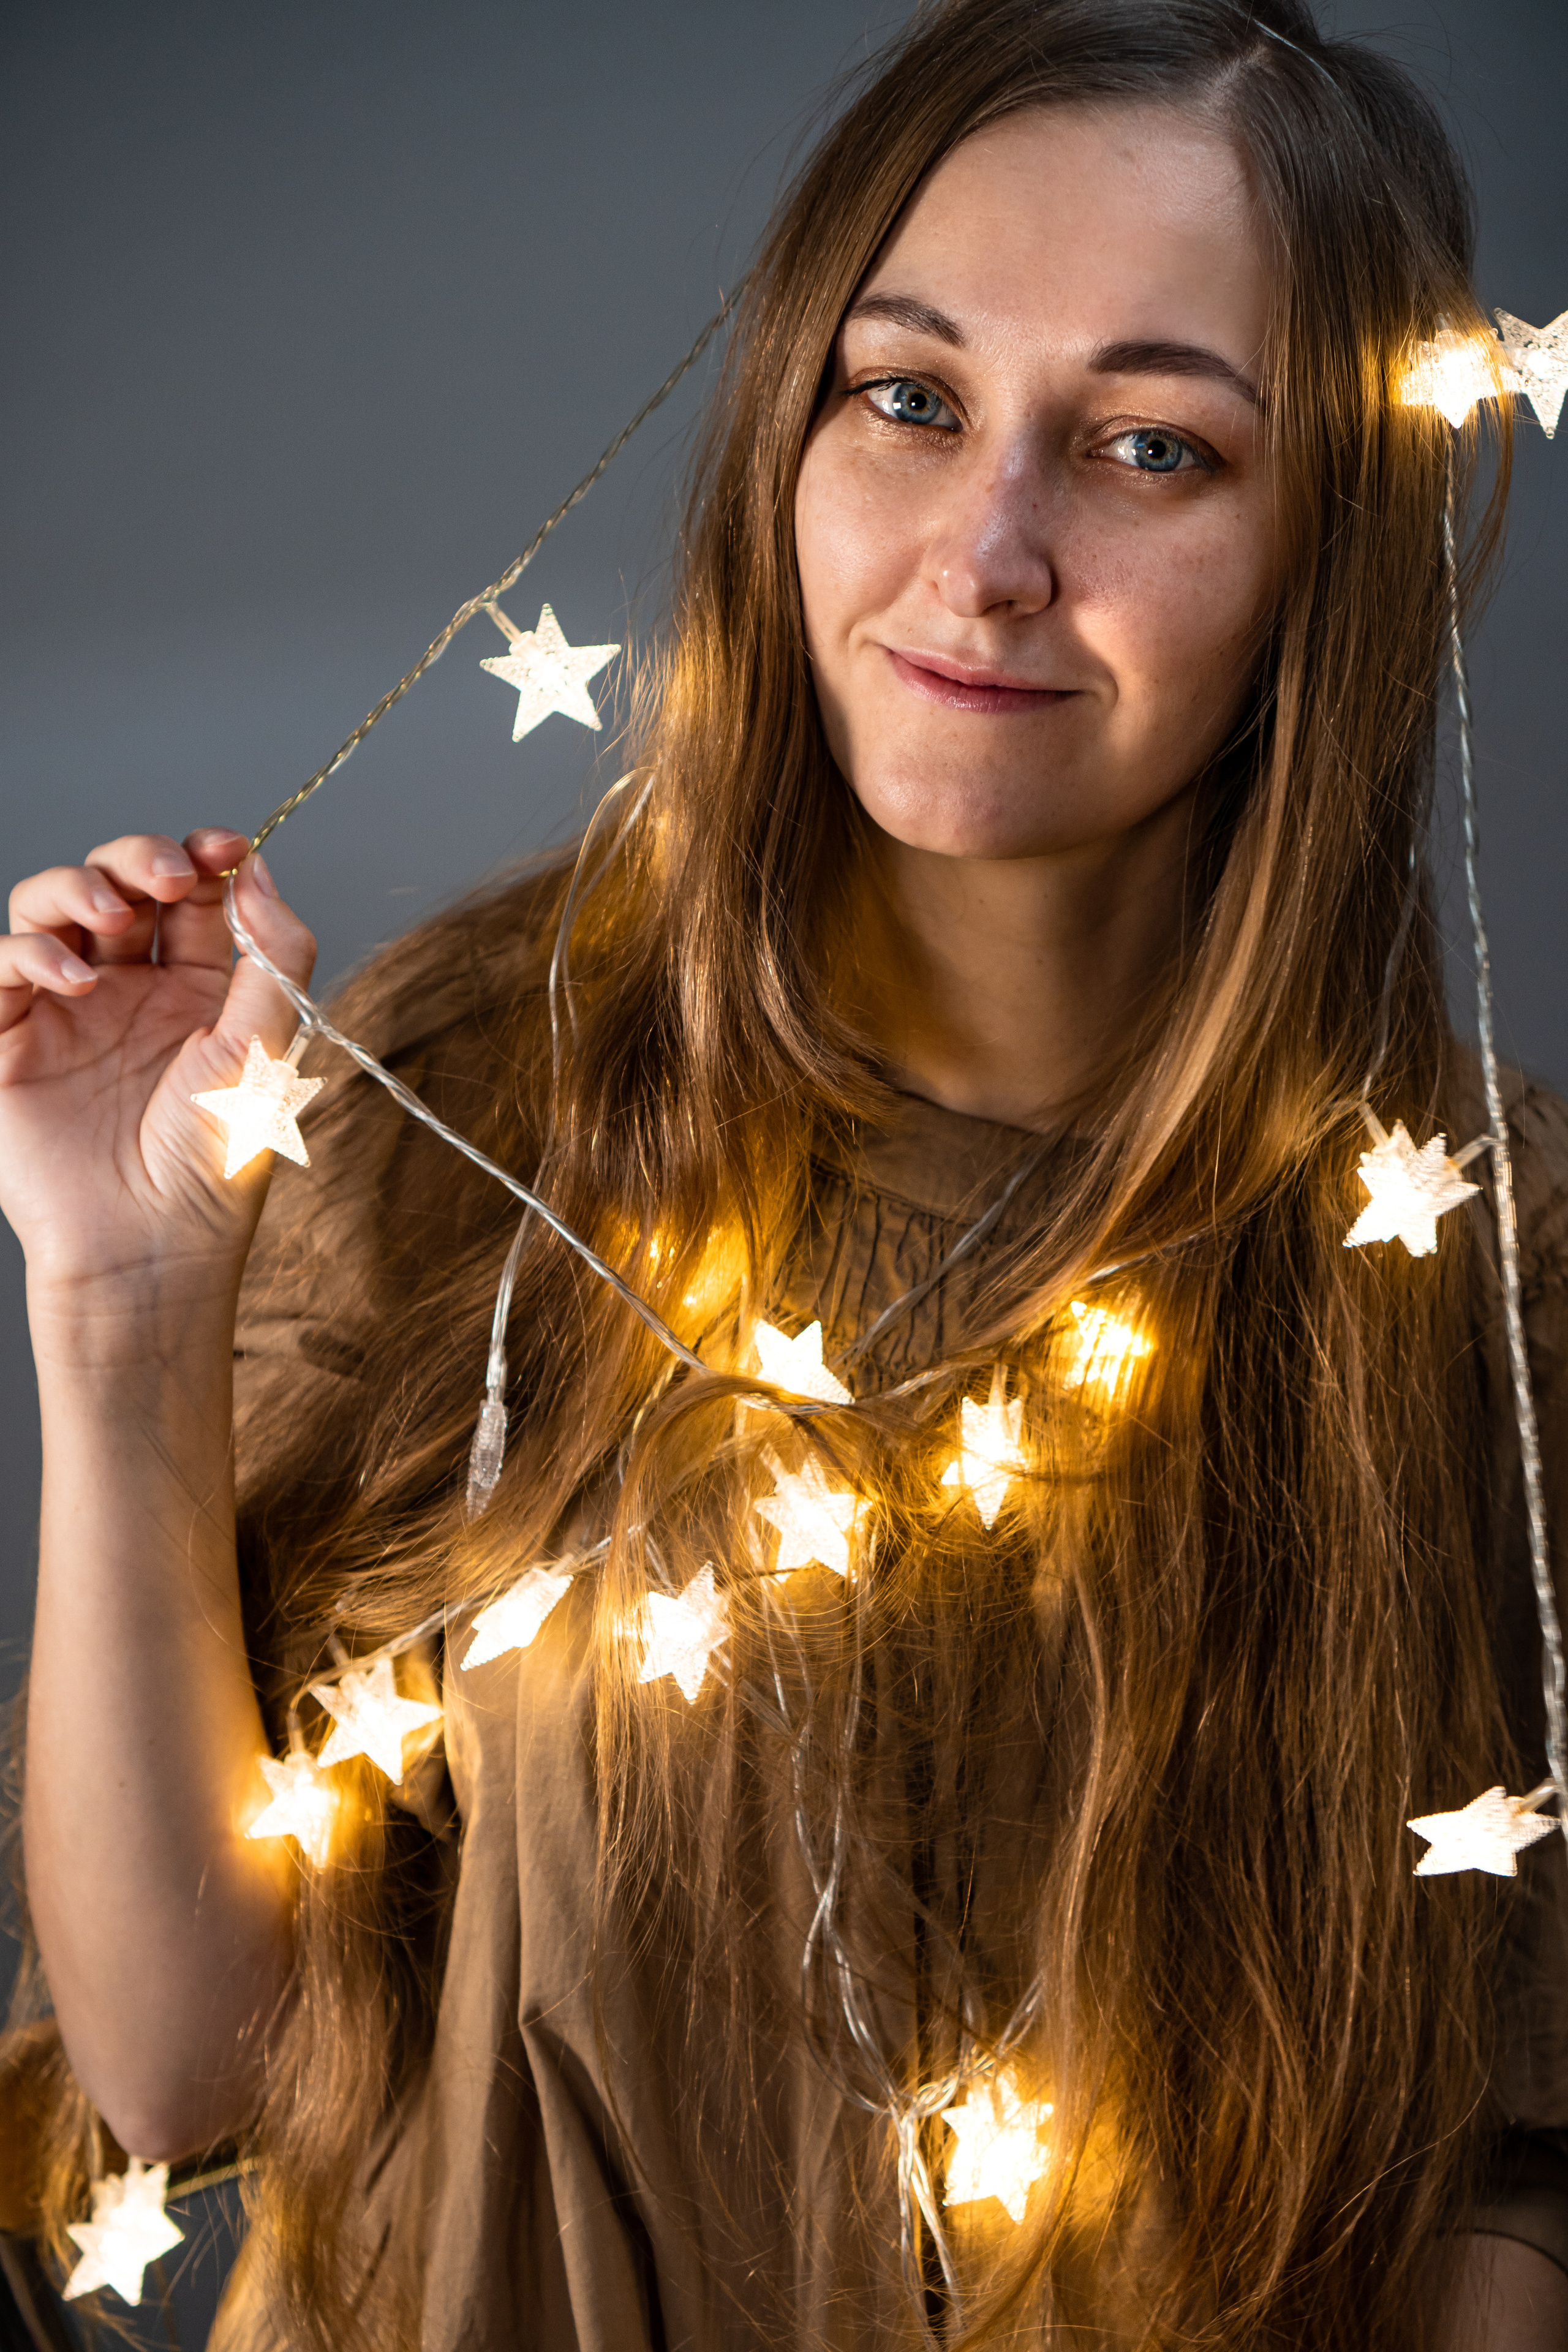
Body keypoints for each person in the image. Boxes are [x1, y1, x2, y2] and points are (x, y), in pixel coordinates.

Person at [5, 0, 1568, 2343]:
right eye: (910, 399)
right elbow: (179, 2069)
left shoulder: (1478, 1253)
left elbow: (1498, 2185)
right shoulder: (461, 1100)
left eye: (1152, 447)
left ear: (1329, 545)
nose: (991, 552)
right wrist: (121, 1322)